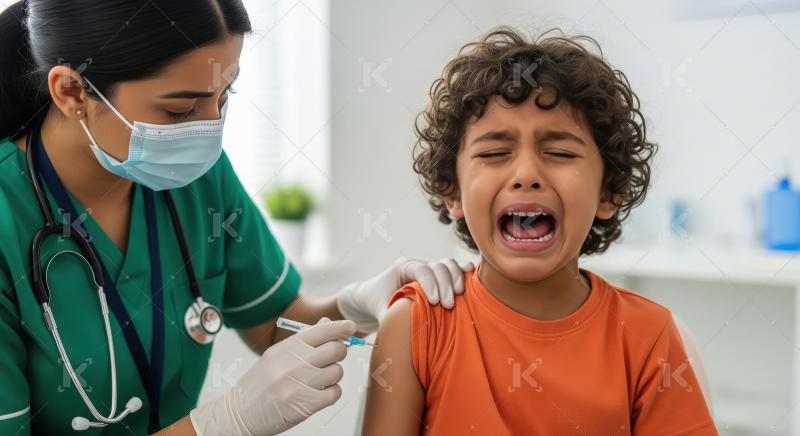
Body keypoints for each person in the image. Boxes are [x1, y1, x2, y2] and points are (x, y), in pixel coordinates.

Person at [0, 1, 473, 435]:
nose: (208, 130)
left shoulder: (195, 178)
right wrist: (224, 423)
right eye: (181, 109)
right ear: (72, 91)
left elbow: (275, 323)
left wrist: (355, 305)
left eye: (224, 97)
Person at [362, 27, 718, 435]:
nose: (527, 174)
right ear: (452, 191)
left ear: (609, 191)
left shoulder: (648, 338)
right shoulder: (415, 327)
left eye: (560, 153)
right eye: (495, 153)